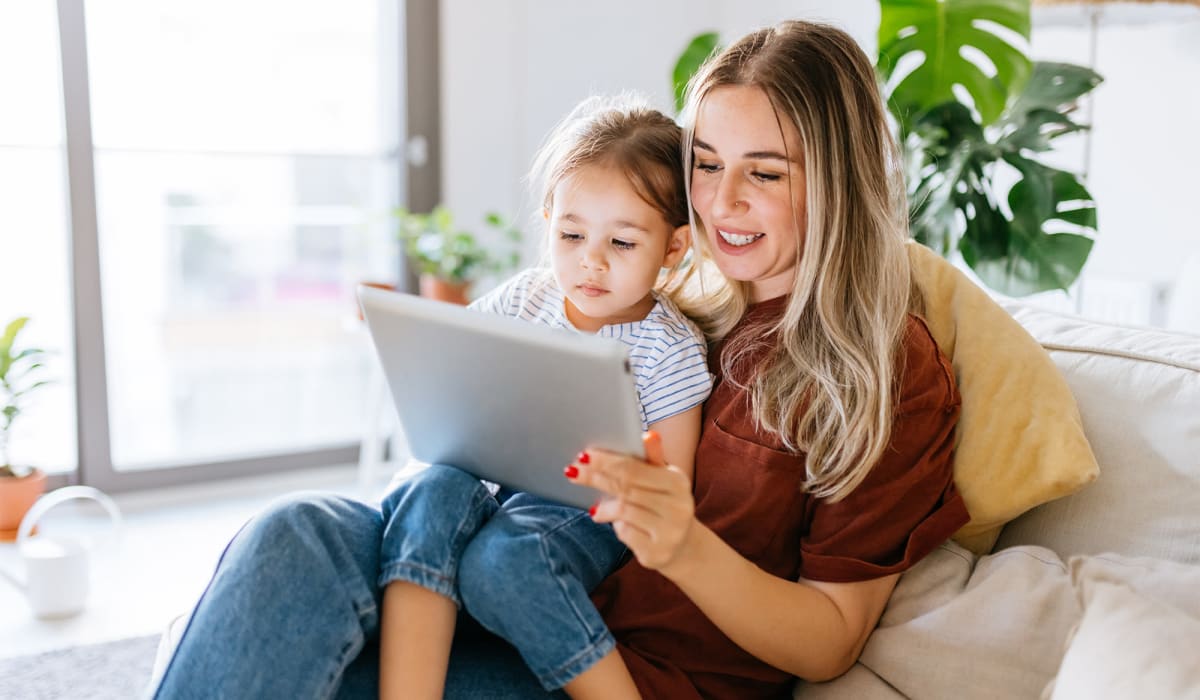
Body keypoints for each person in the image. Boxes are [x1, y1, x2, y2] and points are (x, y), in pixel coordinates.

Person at [151, 19, 969, 700]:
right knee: (291, 533)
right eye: (708, 165)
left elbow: (829, 641)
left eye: (766, 173)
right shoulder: (678, 294)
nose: (723, 203)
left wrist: (681, 542)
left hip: (600, 662)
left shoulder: (885, 371)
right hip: (484, 568)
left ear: (837, 180)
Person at [376, 96, 712, 699]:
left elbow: (674, 482)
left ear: (673, 248)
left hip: (584, 511)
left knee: (513, 554)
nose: (591, 260)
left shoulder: (668, 347)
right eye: (572, 234)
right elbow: (451, 376)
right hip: (490, 481)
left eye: (623, 244)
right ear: (549, 218)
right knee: (429, 489)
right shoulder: (522, 299)